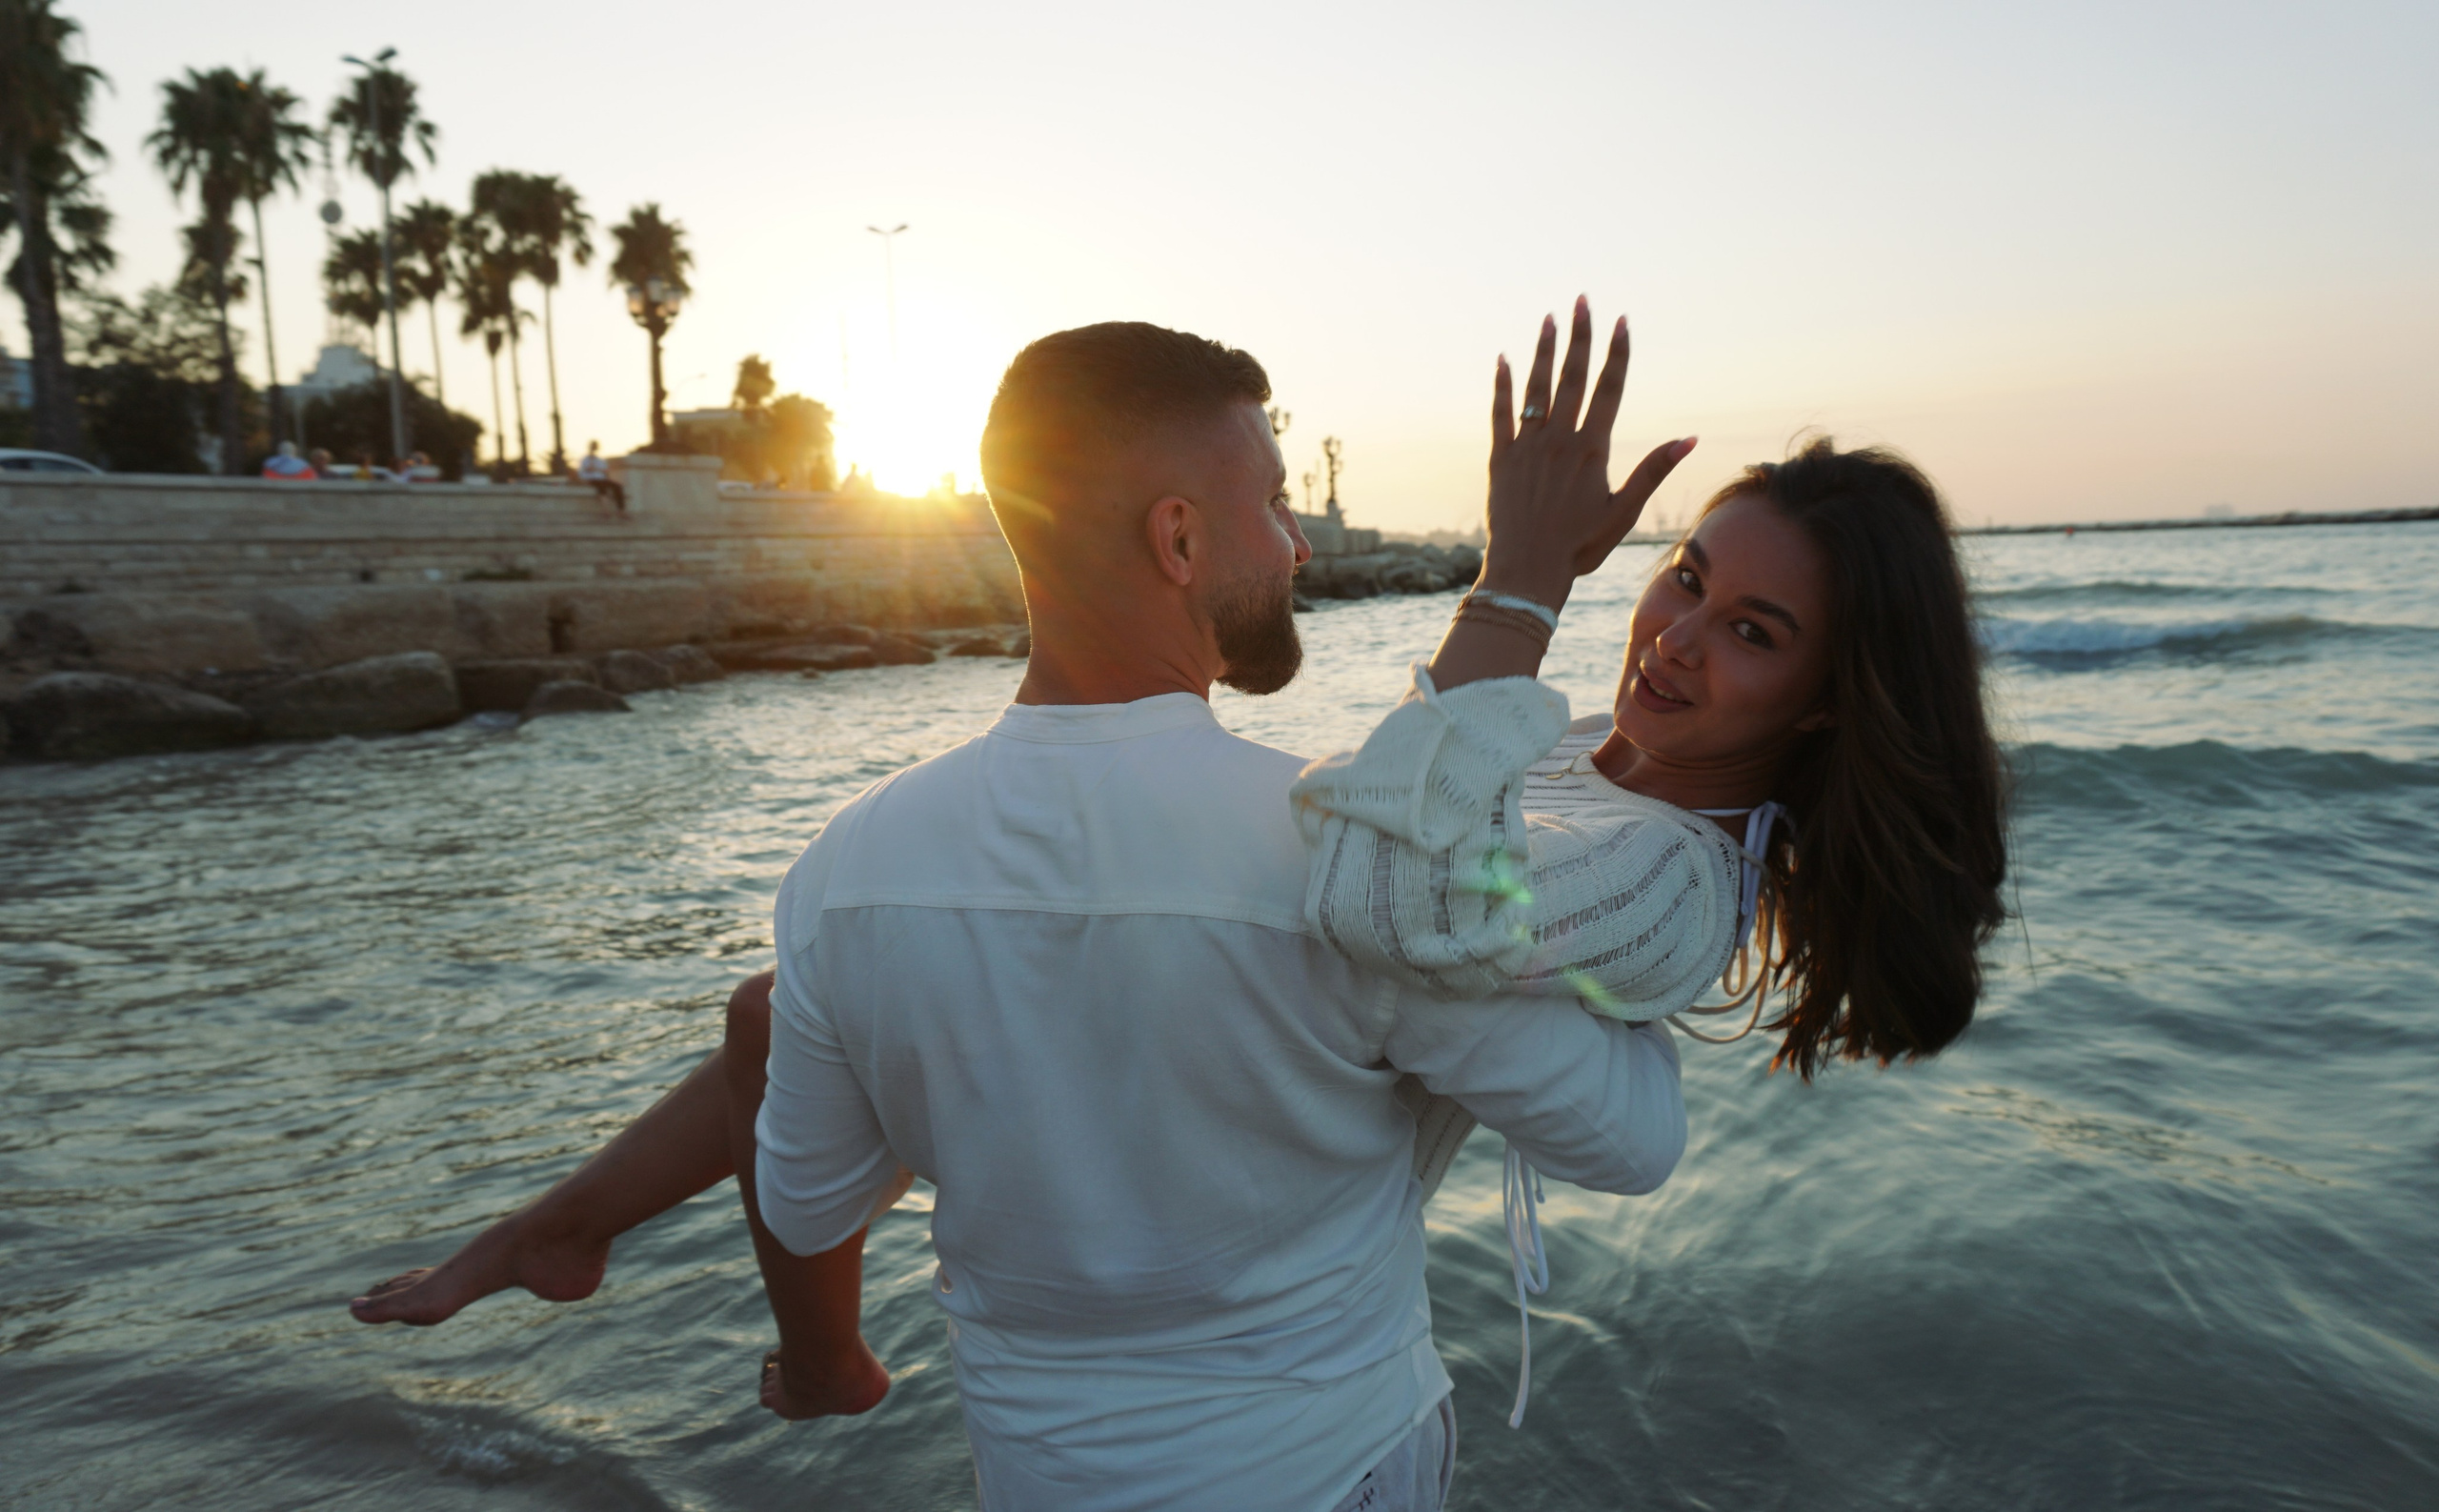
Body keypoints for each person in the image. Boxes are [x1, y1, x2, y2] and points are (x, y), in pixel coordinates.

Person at [351, 305, 2008, 1504]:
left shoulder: (856, 871)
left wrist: (1517, 584)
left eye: (1755, 632)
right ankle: (562, 1228)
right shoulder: (1528, 797)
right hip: (1322, 1456)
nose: (1680, 633)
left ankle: (559, 1229)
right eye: (1691, 580)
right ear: (1175, 534)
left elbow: (1429, 899)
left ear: (1825, 700)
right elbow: (1431, 900)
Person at [578, 440, 626, 512]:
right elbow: (588, 469)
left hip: (602, 479)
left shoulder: (600, 460)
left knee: (617, 486)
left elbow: (606, 470)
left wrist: (598, 469)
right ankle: (606, 510)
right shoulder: (586, 459)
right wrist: (592, 460)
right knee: (602, 487)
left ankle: (621, 510)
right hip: (592, 479)